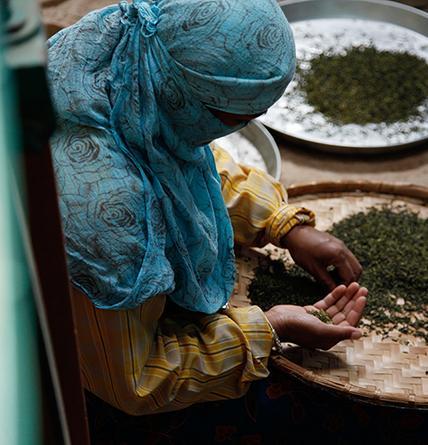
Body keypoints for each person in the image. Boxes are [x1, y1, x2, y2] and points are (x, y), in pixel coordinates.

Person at [46, 0, 366, 415]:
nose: (249, 123)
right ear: (184, 95)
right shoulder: (108, 223)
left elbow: (180, 158)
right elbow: (133, 382)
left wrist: (283, 223)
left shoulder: (129, 47)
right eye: (234, 119)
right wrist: (270, 327)